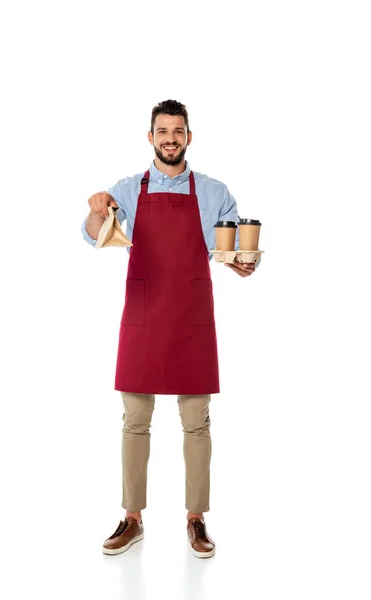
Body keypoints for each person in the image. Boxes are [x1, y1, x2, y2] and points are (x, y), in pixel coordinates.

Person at [81, 100, 258, 559]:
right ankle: (132, 518)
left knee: (196, 424)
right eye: (163, 131)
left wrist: (244, 261)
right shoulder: (126, 189)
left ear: (189, 137)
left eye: (178, 131)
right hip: (142, 318)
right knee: (135, 423)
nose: (170, 138)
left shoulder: (216, 192)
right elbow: (91, 233)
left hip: (191, 320)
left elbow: (236, 245)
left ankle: (196, 519)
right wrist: (97, 209)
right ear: (151, 137)